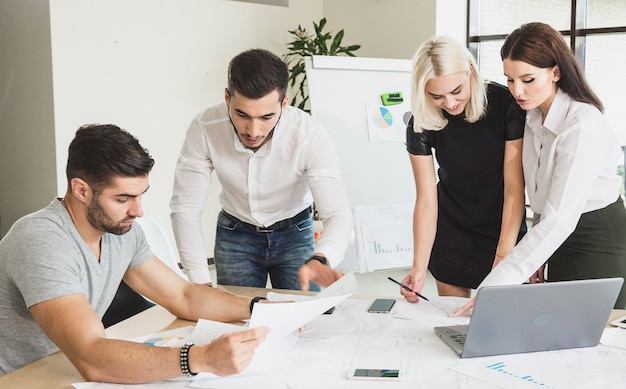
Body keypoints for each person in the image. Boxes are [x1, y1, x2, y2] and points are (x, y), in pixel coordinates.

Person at [0, 124, 269, 381]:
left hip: (63, 369)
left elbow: (183, 296)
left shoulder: (121, 233)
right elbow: (91, 356)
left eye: (140, 196)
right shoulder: (41, 240)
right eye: (123, 198)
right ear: (81, 190)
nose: (138, 211)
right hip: (21, 379)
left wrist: (261, 308)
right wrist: (201, 359)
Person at [455, 22, 626, 316]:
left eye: (528, 79)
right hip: (556, 235)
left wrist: (493, 286)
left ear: (556, 72)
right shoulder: (532, 114)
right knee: (556, 331)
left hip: (596, 239)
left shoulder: (581, 125)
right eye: (510, 80)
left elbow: (560, 217)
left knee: (596, 340)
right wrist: (533, 259)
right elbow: (543, 198)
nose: (517, 91)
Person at [170, 49, 353, 292]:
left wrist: (322, 257)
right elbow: (186, 207)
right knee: (236, 315)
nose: (253, 131)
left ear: (284, 104)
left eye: (267, 117)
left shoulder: (309, 135)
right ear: (227, 98)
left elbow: (338, 214)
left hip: (294, 233)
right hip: (235, 234)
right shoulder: (204, 127)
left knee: (303, 317)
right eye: (241, 114)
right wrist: (199, 281)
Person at [399, 36, 527, 303]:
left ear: (470, 69)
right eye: (437, 96)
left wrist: (503, 258)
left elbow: (515, 188)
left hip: (502, 228)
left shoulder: (505, 104)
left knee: (503, 321)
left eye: (456, 90)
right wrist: (418, 267)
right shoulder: (421, 122)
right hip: (452, 234)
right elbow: (426, 199)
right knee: (452, 323)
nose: (450, 103)